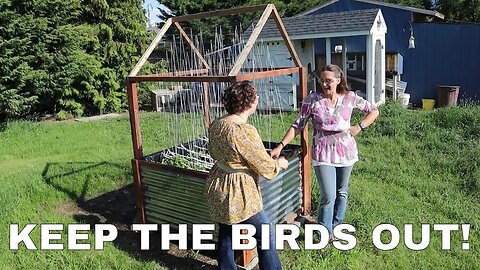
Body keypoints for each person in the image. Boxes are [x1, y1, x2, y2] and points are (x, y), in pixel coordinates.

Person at [270, 64, 379, 240]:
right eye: (322, 80)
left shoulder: (350, 98)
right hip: (323, 153)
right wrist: (280, 145)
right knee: (328, 195)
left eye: (328, 81)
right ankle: (324, 234)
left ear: (338, 80)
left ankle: (336, 226)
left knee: (342, 191)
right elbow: (298, 125)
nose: (325, 84)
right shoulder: (312, 100)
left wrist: (359, 127)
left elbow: (374, 111)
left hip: (346, 152)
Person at [205, 80, 288, 270]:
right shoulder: (243, 131)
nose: (258, 99)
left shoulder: (218, 124)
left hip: (218, 183)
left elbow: (214, 151)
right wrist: (279, 164)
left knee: (227, 231)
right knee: (265, 234)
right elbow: (265, 167)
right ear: (249, 102)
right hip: (238, 191)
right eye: (256, 96)